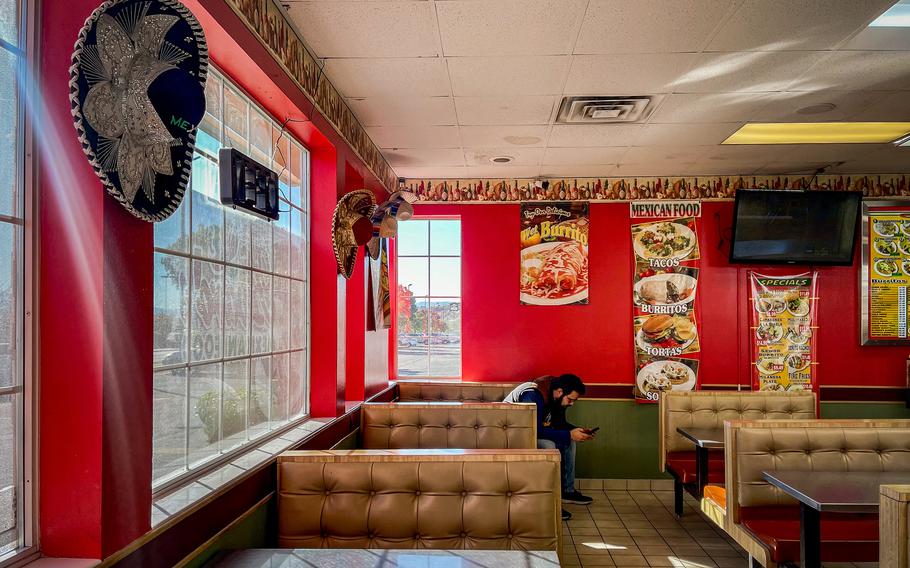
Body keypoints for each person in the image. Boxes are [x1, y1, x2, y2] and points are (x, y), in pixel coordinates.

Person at [503, 374, 595, 521]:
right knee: (548, 445)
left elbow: (559, 425)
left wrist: (578, 431)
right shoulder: (532, 395)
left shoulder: (557, 399)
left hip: (532, 433)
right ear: (559, 392)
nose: (571, 404)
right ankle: (549, 502)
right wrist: (569, 434)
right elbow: (534, 429)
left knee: (569, 441)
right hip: (513, 436)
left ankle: (567, 491)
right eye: (570, 399)